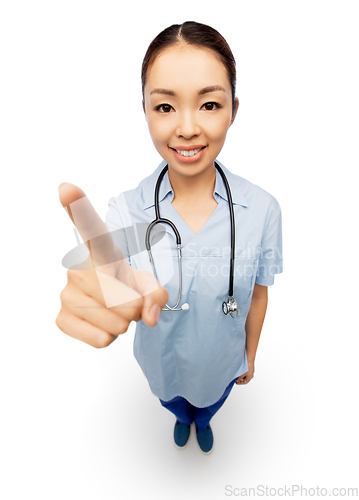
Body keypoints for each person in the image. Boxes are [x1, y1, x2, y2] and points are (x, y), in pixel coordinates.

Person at [56, 21, 283, 455]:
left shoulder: (264, 209)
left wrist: (250, 355)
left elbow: (257, 295)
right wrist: (99, 288)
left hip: (223, 365)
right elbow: (110, 277)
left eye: (209, 104)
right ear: (144, 110)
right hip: (164, 368)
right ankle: (182, 419)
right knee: (175, 405)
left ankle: (205, 420)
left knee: (210, 404)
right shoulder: (126, 211)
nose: (187, 128)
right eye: (164, 107)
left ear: (233, 109)